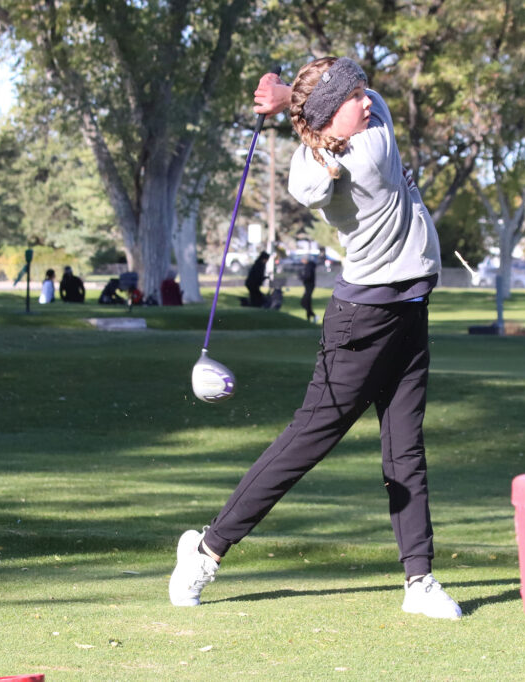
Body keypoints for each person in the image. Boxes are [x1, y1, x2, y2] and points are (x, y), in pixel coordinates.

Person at [169, 57, 459, 620]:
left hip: (408, 311)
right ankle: (204, 551)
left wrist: (288, 103)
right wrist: (292, 108)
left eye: (363, 91)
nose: (369, 100)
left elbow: (326, 130)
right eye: (354, 97)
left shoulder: (361, 124)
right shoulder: (370, 148)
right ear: (331, 117)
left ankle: (419, 580)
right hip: (363, 323)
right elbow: (309, 182)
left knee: (406, 447)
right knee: (307, 442)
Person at [299, 254, 317, 322]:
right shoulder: (310, 265)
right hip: (309, 286)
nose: (301, 261)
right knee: (307, 302)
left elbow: (308, 276)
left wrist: (301, 277)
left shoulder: (308, 266)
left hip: (309, 286)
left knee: (305, 302)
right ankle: (310, 317)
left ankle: (312, 315)